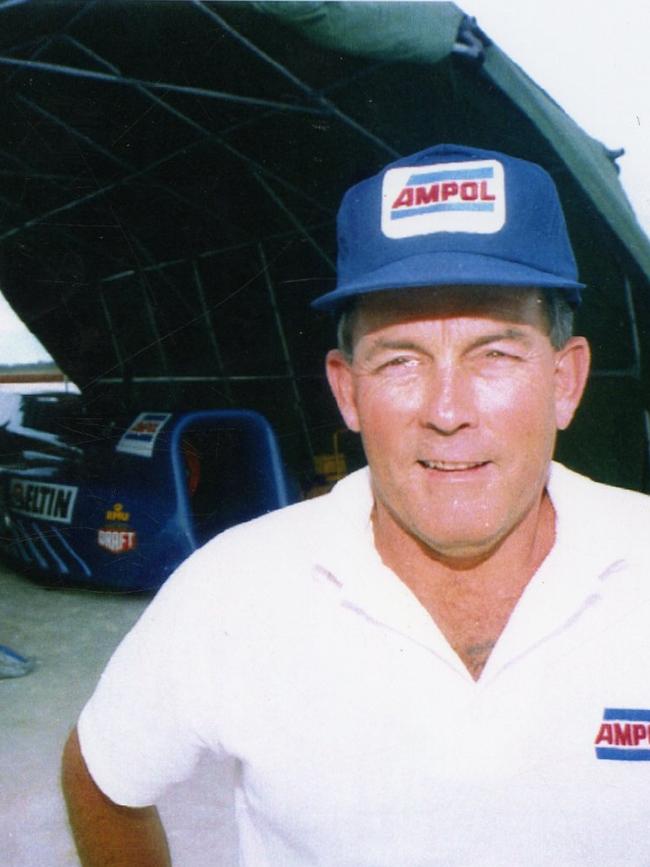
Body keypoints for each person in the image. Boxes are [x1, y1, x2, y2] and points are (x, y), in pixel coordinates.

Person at [61, 143, 650, 866]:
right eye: (401, 359)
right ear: (346, 391)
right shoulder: (235, 588)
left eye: (495, 354)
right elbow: (100, 777)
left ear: (565, 380)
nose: (448, 409)